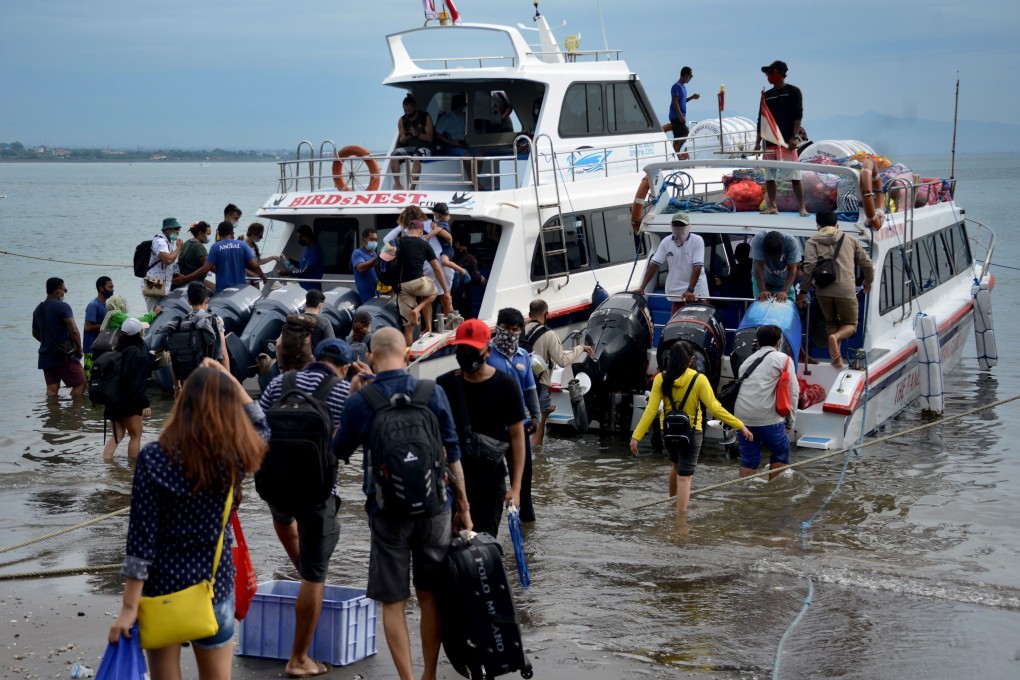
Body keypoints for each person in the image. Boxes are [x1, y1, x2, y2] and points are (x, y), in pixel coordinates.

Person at [108, 360, 268, 680]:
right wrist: (230, 381)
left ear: (182, 403)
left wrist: (128, 608)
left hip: (162, 591)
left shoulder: (154, 458)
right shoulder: (234, 457)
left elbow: (140, 542)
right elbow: (262, 426)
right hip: (215, 588)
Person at [332, 327, 472, 680]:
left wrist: (352, 395)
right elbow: (453, 454)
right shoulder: (432, 392)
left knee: (393, 601)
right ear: (408, 354)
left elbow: (337, 451)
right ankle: (428, 675)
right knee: (430, 596)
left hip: (386, 511)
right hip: (435, 508)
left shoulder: (362, 401)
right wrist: (464, 507)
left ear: (370, 358)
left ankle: (407, 679)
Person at [258, 324, 352, 679]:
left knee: (283, 519)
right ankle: (299, 659)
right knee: (315, 574)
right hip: (318, 493)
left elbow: (257, 429)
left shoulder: (279, 384)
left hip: (277, 489)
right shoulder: (343, 390)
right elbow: (348, 445)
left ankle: (300, 564)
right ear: (342, 366)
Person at [630, 342, 752, 513]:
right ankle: (680, 520)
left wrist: (636, 436)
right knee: (685, 477)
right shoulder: (699, 379)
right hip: (692, 433)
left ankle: (672, 503)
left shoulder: (660, 378)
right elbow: (715, 408)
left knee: (675, 465)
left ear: (669, 358)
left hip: (668, 432)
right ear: (691, 359)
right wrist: (740, 425)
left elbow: (651, 410)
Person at [437, 319, 525, 536]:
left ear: (488, 350)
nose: (466, 353)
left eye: (472, 349)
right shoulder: (444, 384)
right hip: (450, 481)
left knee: (483, 550)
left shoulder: (506, 385)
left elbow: (517, 438)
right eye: (462, 348)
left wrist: (515, 488)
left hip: (489, 482)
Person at [797, 210, 874, 367]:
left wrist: (803, 292)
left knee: (831, 322)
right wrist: (868, 280)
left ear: (818, 226)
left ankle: (836, 359)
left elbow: (809, 267)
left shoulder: (812, 241)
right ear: (837, 225)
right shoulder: (850, 240)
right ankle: (837, 338)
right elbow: (867, 263)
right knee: (850, 325)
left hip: (823, 291)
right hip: (846, 291)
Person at [487, 308, 541, 522]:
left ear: (520, 331)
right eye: (505, 328)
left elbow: (530, 389)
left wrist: (536, 417)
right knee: (492, 483)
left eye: (514, 329)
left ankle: (527, 529)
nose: (509, 333)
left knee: (525, 480)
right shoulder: (486, 354)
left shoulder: (524, 357)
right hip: (492, 429)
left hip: (519, 428)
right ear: (498, 327)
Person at [524, 299, 594, 446]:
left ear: (530, 313)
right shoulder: (549, 334)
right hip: (538, 387)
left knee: (521, 429)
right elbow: (562, 360)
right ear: (546, 313)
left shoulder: (520, 330)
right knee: (538, 429)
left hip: (519, 385)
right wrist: (580, 348)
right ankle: (537, 465)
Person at [734, 325, 799, 480]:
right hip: (767, 417)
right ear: (779, 342)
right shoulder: (783, 359)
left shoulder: (747, 361)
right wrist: (791, 421)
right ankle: (774, 494)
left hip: (742, 417)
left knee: (749, 457)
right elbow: (793, 392)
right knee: (780, 452)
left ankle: (746, 493)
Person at [755, 60, 807, 216]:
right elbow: (761, 120)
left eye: (772, 72)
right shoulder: (767, 96)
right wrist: (757, 142)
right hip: (770, 142)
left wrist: (794, 137)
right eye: (768, 73)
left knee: (795, 176)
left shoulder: (794, 92)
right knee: (769, 176)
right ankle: (773, 206)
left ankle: (802, 207)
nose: (769, 76)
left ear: (781, 73)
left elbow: (798, 117)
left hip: (787, 142)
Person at [631, 212, 710, 315]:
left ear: (688, 226)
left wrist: (690, 290)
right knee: (675, 326)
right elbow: (654, 265)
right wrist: (642, 287)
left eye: (682, 225)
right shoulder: (666, 242)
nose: (678, 228)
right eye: (676, 225)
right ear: (671, 226)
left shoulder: (697, 241)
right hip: (676, 295)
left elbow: (697, 267)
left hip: (696, 294)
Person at [101, 318, 153, 462]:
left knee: (117, 435)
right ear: (138, 333)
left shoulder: (116, 349)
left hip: (112, 400)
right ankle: (132, 469)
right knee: (136, 436)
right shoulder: (136, 353)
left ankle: (106, 463)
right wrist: (145, 404)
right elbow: (136, 384)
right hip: (128, 402)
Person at [397, 220, 449, 346]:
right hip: (418, 283)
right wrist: (446, 291)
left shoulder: (398, 242)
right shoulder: (424, 244)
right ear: (420, 231)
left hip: (402, 286)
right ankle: (418, 309)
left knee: (408, 327)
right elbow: (437, 268)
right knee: (434, 291)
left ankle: (407, 360)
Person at [32, 277, 86, 397]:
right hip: (63, 355)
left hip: (45, 356)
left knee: (52, 389)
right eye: (64, 289)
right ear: (57, 291)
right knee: (81, 384)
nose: (65, 292)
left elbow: (35, 333)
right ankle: (74, 413)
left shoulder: (37, 309)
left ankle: (54, 415)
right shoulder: (63, 306)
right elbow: (74, 330)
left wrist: (47, 341)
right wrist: (80, 348)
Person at [178, 222, 267, 293]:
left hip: (223, 291)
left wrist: (185, 278)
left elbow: (205, 269)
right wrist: (262, 276)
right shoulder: (243, 245)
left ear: (219, 234)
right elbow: (255, 265)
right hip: (240, 291)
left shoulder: (215, 247)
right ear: (232, 233)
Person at [389, 95, 434, 190]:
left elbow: (430, 138)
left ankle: (412, 187)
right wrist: (406, 137)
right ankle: (398, 185)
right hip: (411, 147)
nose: (407, 113)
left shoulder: (425, 116)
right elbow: (401, 140)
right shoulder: (402, 120)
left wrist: (417, 133)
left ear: (414, 107)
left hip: (425, 146)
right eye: (405, 110)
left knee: (416, 157)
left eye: (409, 110)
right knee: (394, 155)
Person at [142, 217, 183, 312]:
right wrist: (179, 247)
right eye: (176, 229)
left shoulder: (168, 243)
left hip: (159, 283)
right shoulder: (160, 242)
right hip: (153, 283)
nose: (178, 232)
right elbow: (168, 260)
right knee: (154, 314)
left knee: (162, 312)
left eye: (179, 229)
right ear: (167, 230)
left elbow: (169, 264)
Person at [750, 230, 802, 302]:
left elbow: (792, 269)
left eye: (775, 257)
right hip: (762, 280)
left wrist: (784, 292)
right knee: (761, 302)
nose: (773, 260)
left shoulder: (791, 242)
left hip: (783, 281)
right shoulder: (758, 239)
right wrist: (762, 290)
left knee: (787, 302)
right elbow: (759, 265)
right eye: (769, 256)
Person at [83, 276, 114, 379]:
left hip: (102, 348)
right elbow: (88, 327)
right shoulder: (93, 305)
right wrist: (108, 326)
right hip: (91, 350)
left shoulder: (107, 305)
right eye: (110, 287)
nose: (112, 290)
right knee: (90, 380)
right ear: (101, 288)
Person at [451, 235, 486, 319]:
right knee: (465, 316)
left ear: (457, 243)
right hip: (464, 294)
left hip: (450, 293)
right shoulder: (470, 258)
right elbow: (476, 277)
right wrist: (483, 279)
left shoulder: (449, 256)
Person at [667, 66, 699, 156]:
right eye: (691, 76)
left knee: (677, 136)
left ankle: (674, 153)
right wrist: (680, 115)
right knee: (686, 132)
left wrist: (692, 97)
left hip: (679, 116)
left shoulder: (683, 87)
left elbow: (682, 100)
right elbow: (675, 101)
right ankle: (677, 150)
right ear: (685, 75)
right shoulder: (676, 86)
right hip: (676, 116)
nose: (691, 78)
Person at [175, 221, 214, 291]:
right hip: (192, 281)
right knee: (217, 290)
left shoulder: (187, 243)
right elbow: (209, 266)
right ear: (201, 233)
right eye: (208, 234)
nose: (209, 237)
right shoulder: (198, 246)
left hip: (186, 278)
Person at [284, 225, 325, 291]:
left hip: (312, 289)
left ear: (306, 237)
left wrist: (288, 273)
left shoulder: (315, 251)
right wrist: (291, 261)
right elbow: (302, 266)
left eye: (300, 237)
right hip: (303, 288)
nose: (298, 240)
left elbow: (305, 271)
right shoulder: (307, 248)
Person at [351, 228, 379, 303]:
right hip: (366, 297)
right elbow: (360, 268)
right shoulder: (358, 253)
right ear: (364, 240)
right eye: (371, 239)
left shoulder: (373, 254)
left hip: (376, 294)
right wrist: (378, 258)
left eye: (376, 240)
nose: (374, 242)